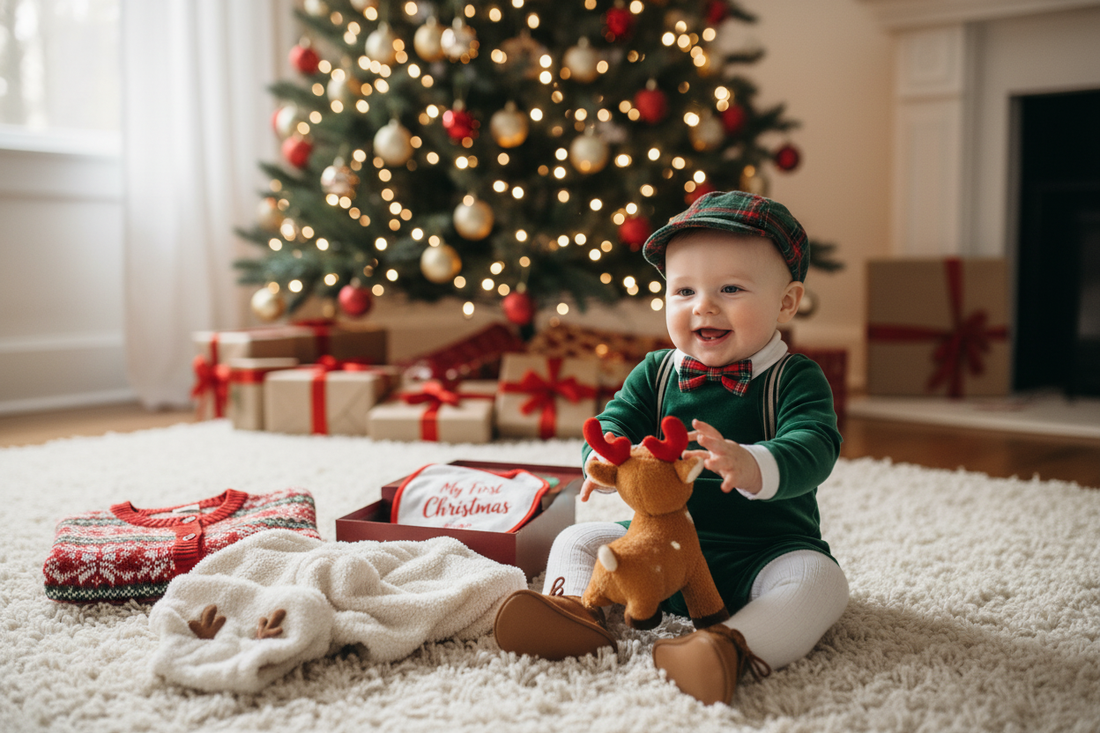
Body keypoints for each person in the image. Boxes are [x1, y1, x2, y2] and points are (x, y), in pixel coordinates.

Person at [493, 190, 850, 706]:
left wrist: (752, 462)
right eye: (683, 291)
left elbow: (815, 445)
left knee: (821, 583)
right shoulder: (656, 372)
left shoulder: (794, 379)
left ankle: (729, 648)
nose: (703, 305)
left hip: (762, 549)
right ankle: (573, 612)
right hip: (656, 547)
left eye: (730, 288)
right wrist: (602, 455)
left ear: (787, 302)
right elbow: (614, 420)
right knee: (577, 539)